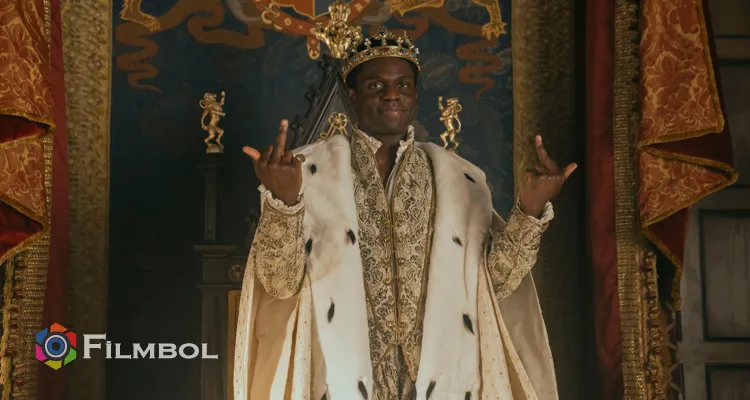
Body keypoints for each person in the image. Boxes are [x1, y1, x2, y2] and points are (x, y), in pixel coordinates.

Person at [233, 27, 577, 400]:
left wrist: (529, 210)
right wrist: (284, 204)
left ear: (414, 96)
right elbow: (279, 283)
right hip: (339, 379)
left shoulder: (460, 181)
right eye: (376, 86)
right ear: (352, 96)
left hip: (441, 378)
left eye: (403, 85)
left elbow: (495, 286)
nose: (392, 94)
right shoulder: (308, 174)